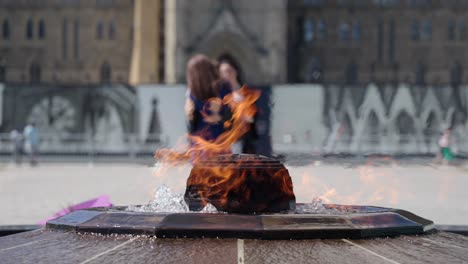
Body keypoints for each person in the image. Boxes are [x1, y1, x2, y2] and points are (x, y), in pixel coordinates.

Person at [185, 54, 231, 144]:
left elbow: (190, 122)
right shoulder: (223, 87)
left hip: (201, 144)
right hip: (219, 141)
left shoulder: (193, 93)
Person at [219, 58, 258, 154]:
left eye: (229, 71)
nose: (227, 74)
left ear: (235, 71)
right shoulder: (219, 95)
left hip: (245, 139)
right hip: (227, 140)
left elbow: (252, 117)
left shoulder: (247, 92)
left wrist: (247, 117)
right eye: (223, 72)